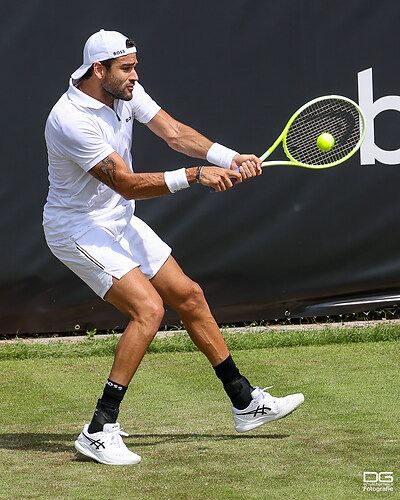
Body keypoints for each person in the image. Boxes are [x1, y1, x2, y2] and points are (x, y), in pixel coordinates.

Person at [43, 29, 304, 466]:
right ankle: (99, 428)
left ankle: (245, 402)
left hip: (117, 220)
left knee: (189, 295)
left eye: (135, 65)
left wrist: (227, 157)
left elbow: (173, 131)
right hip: (77, 229)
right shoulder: (69, 119)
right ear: (98, 70)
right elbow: (125, 183)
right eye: (127, 68)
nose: (135, 74)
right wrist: (194, 176)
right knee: (148, 310)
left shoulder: (125, 92)